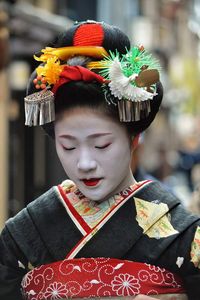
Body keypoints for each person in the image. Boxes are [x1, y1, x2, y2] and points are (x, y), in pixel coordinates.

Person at [0, 20, 199, 300]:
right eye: (68, 146)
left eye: (101, 144)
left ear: (134, 138)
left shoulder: (186, 236)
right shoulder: (23, 235)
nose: (84, 163)